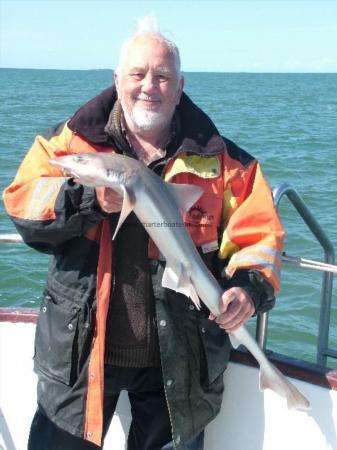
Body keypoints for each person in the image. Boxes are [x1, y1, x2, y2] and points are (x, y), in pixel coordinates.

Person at [3, 16, 284, 450]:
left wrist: (247, 288)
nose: (148, 85)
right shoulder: (70, 144)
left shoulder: (225, 161)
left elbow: (260, 236)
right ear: (118, 80)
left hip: (180, 361)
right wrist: (89, 199)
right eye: (137, 74)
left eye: (162, 76)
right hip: (83, 356)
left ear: (180, 85)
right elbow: (23, 205)